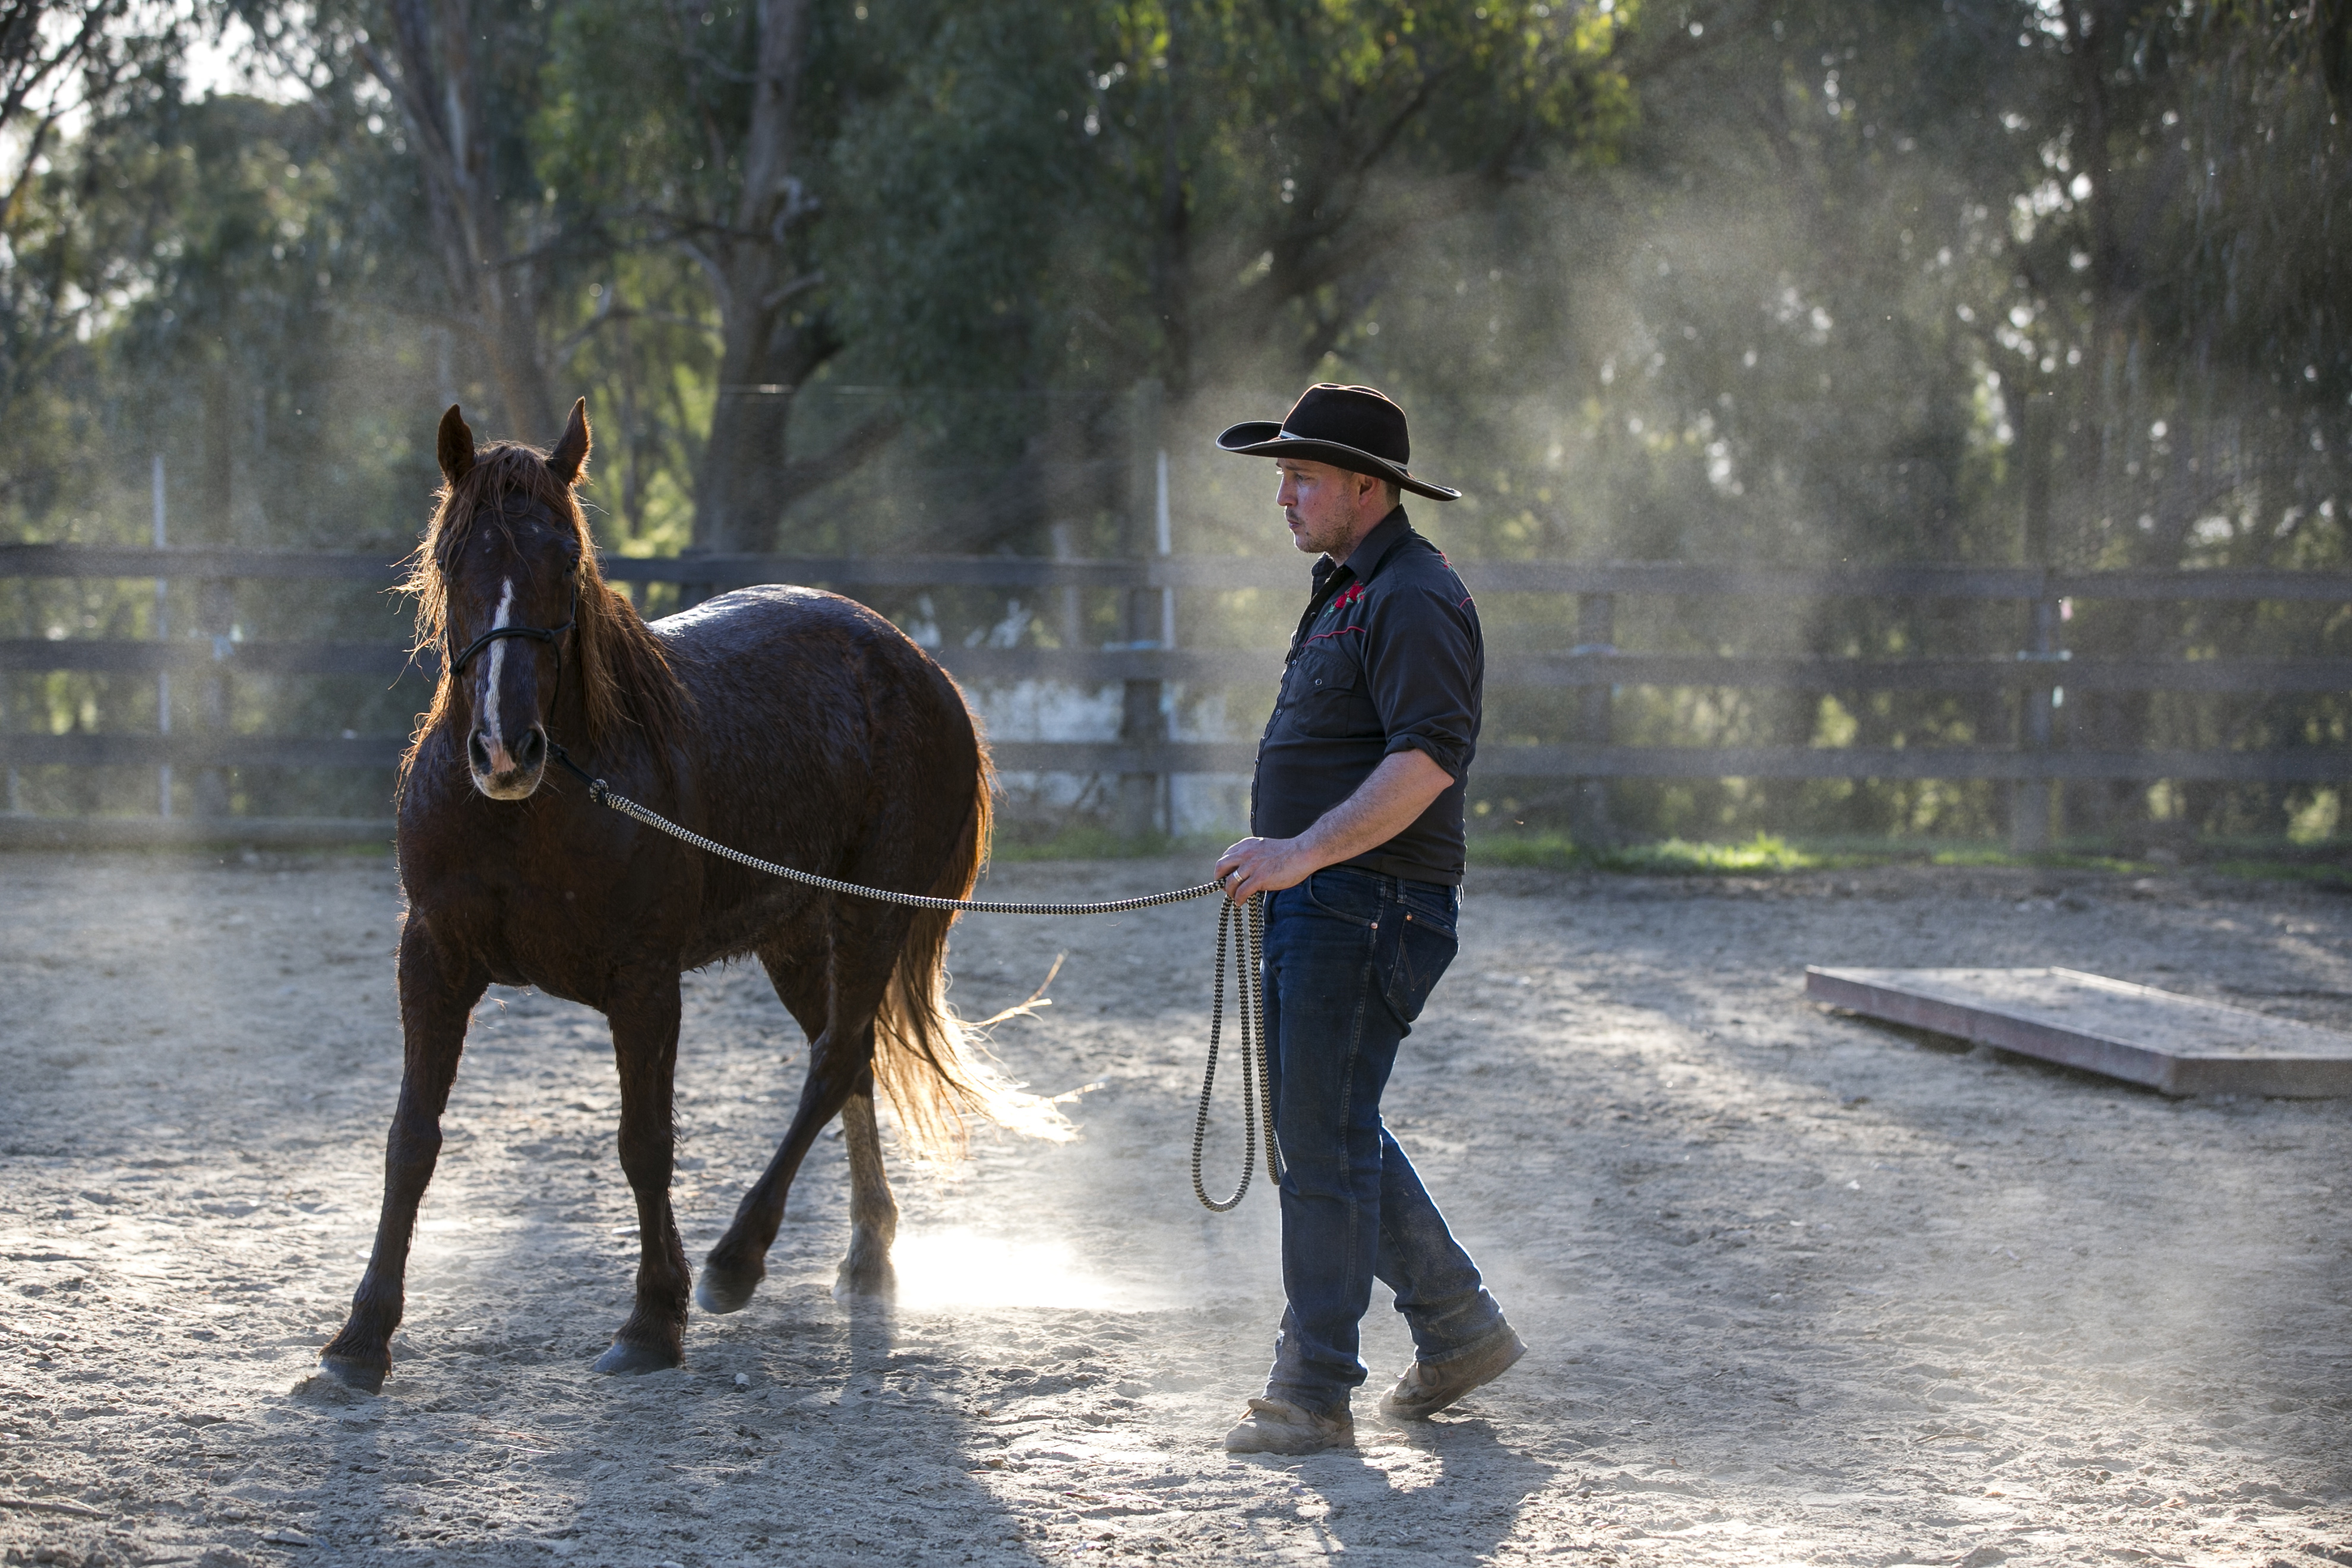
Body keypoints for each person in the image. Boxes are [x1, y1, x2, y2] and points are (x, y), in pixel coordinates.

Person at [1210, 383, 1524, 1456]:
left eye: (1301, 477)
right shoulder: (1354, 590)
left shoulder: (1415, 595)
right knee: (1327, 1124)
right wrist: (1289, 857)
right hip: (1333, 898)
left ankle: (1314, 1390)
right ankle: (1456, 1325)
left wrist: (1299, 852)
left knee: (1324, 1140)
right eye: (1283, 477)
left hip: (1368, 903)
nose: (1284, 497)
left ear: (1365, 487)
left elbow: (1427, 760)